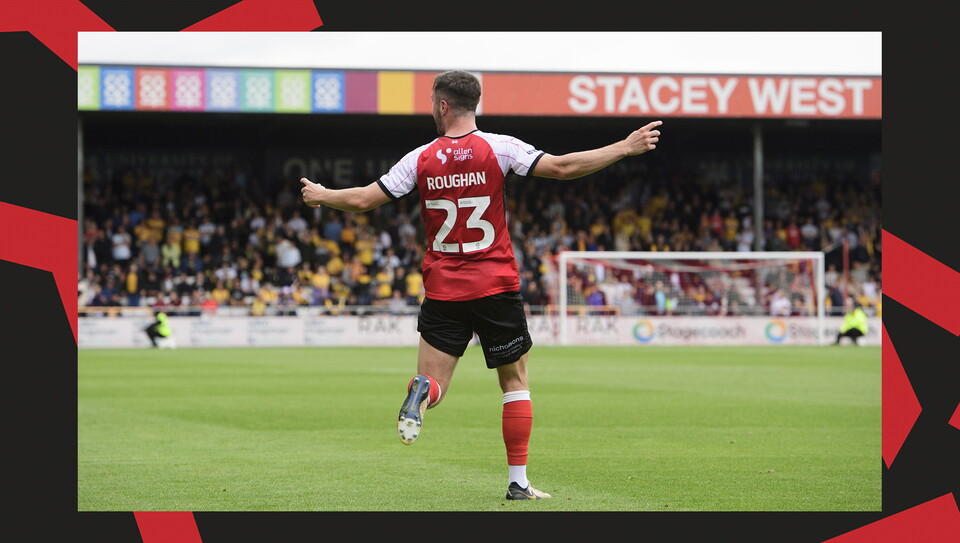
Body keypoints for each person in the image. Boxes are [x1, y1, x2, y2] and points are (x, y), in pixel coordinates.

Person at [299, 69, 662, 501]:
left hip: (442, 290)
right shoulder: (500, 147)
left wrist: (322, 195)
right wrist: (625, 147)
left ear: (443, 105)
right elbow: (563, 168)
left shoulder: (420, 158)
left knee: (435, 385)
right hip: (495, 285)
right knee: (515, 381)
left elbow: (362, 199)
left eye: (432, 101)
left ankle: (421, 390)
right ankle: (518, 482)